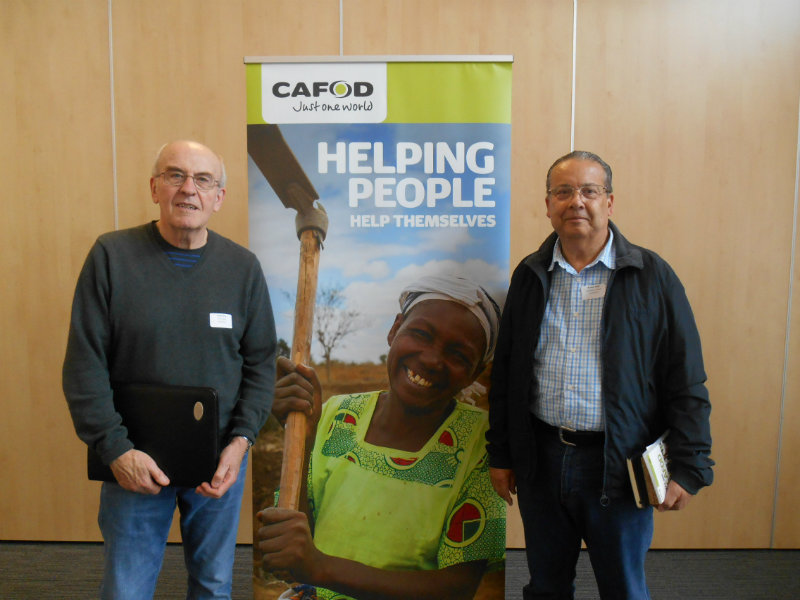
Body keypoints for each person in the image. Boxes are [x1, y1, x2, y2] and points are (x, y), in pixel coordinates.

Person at [486, 151, 714, 599]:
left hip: (618, 465)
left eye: (589, 191)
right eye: (563, 191)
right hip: (542, 461)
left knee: (624, 590)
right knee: (547, 587)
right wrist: (502, 454)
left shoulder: (652, 277)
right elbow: (507, 372)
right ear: (548, 204)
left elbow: (685, 379)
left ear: (610, 202)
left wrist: (690, 466)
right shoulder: (530, 275)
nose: (577, 202)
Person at [62, 140, 277, 599]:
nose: (188, 189)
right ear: (154, 187)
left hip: (217, 465)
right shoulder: (111, 257)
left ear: (219, 197)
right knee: (127, 589)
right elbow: (84, 364)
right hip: (133, 463)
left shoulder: (243, 269)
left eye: (203, 180)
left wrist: (240, 444)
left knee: (215, 586)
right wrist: (116, 451)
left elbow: (261, 365)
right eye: (175, 175)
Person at [257, 275, 506, 600]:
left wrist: (321, 568)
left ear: (475, 372)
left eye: (458, 354)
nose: (432, 359)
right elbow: (306, 529)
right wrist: (301, 433)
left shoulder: (482, 443)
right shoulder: (338, 414)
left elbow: (456, 587)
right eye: (421, 334)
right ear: (395, 329)